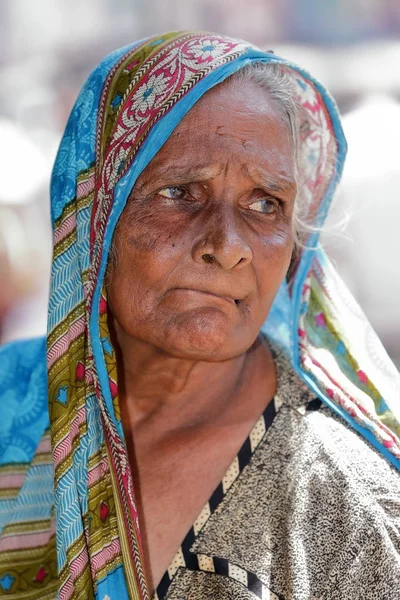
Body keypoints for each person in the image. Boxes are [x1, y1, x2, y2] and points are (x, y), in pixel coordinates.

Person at [0, 31, 399, 600]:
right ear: (95, 216)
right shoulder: (11, 404)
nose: (228, 244)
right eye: (180, 192)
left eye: (266, 204)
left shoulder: (348, 505)